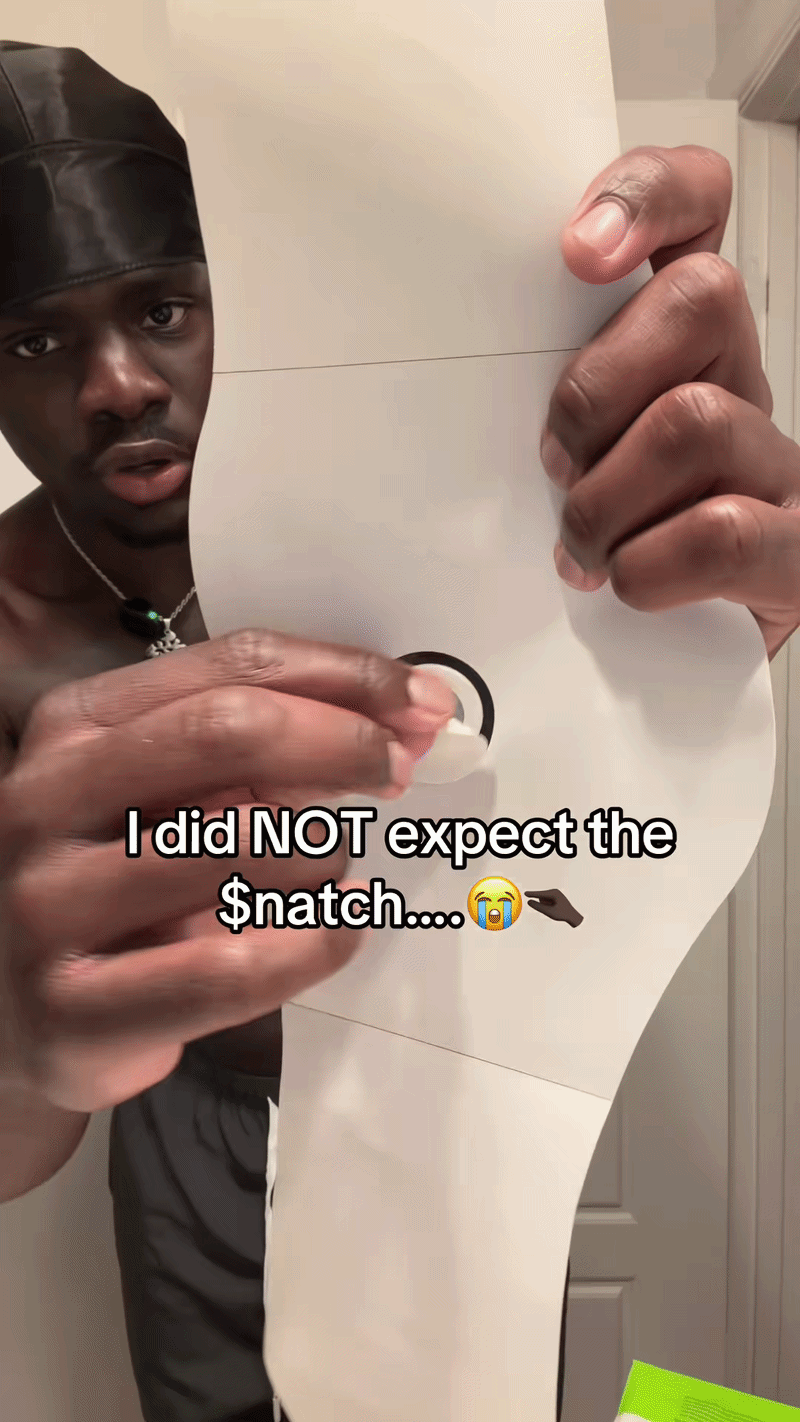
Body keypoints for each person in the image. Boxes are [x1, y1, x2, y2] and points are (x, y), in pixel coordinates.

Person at [0, 36, 795, 1422]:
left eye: (166, 307)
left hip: (453, 1071)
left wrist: (707, 641)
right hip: (183, 1110)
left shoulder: (431, 499)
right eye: (32, 340)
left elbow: (579, 798)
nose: (118, 382)